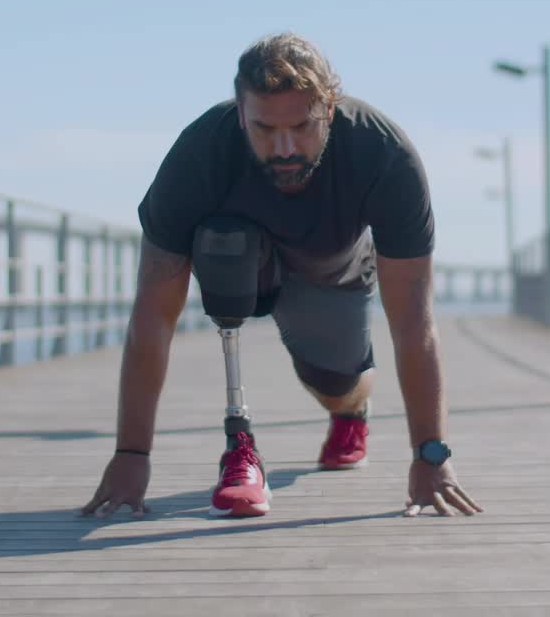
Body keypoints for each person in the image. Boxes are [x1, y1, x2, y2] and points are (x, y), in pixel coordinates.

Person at [79, 33, 482, 519]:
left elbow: (414, 323)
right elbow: (153, 316)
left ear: (329, 110)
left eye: (302, 127)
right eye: (264, 129)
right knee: (220, 240)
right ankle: (239, 445)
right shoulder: (200, 154)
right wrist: (131, 455)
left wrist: (430, 454)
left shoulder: (384, 154)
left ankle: (351, 411)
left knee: (335, 382)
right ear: (240, 111)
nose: (285, 147)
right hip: (243, 263)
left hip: (332, 274)